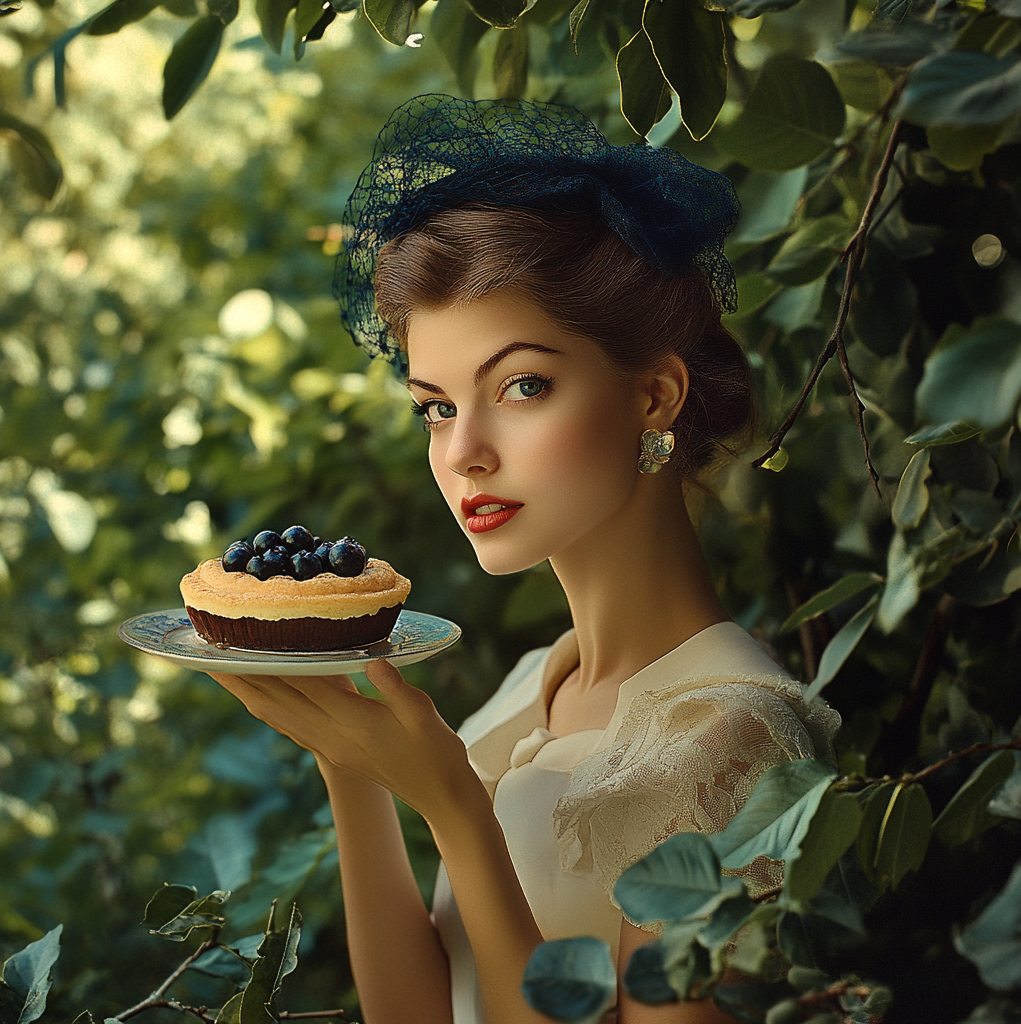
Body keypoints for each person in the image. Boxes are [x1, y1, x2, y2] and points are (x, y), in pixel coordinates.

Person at [208, 95, 840, 1024]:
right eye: (436, 405)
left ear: (656, 395)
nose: (464, 451)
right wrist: (346, 759)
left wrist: (460, 816)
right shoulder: (522, 692)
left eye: (522, 386)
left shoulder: (737, 748)